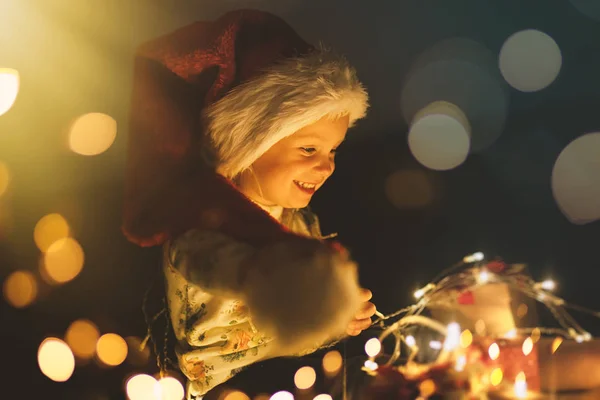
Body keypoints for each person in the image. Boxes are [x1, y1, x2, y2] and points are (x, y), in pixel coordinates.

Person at [122, 9, 374, 399]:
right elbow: (220, 267)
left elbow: (294, 332)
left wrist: (338, 317)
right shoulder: (204, 223)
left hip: (295, 383)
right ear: (249, 143)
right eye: (309, 148)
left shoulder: (301, 225)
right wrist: (276, 276)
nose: (326, 166)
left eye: (333, 151)